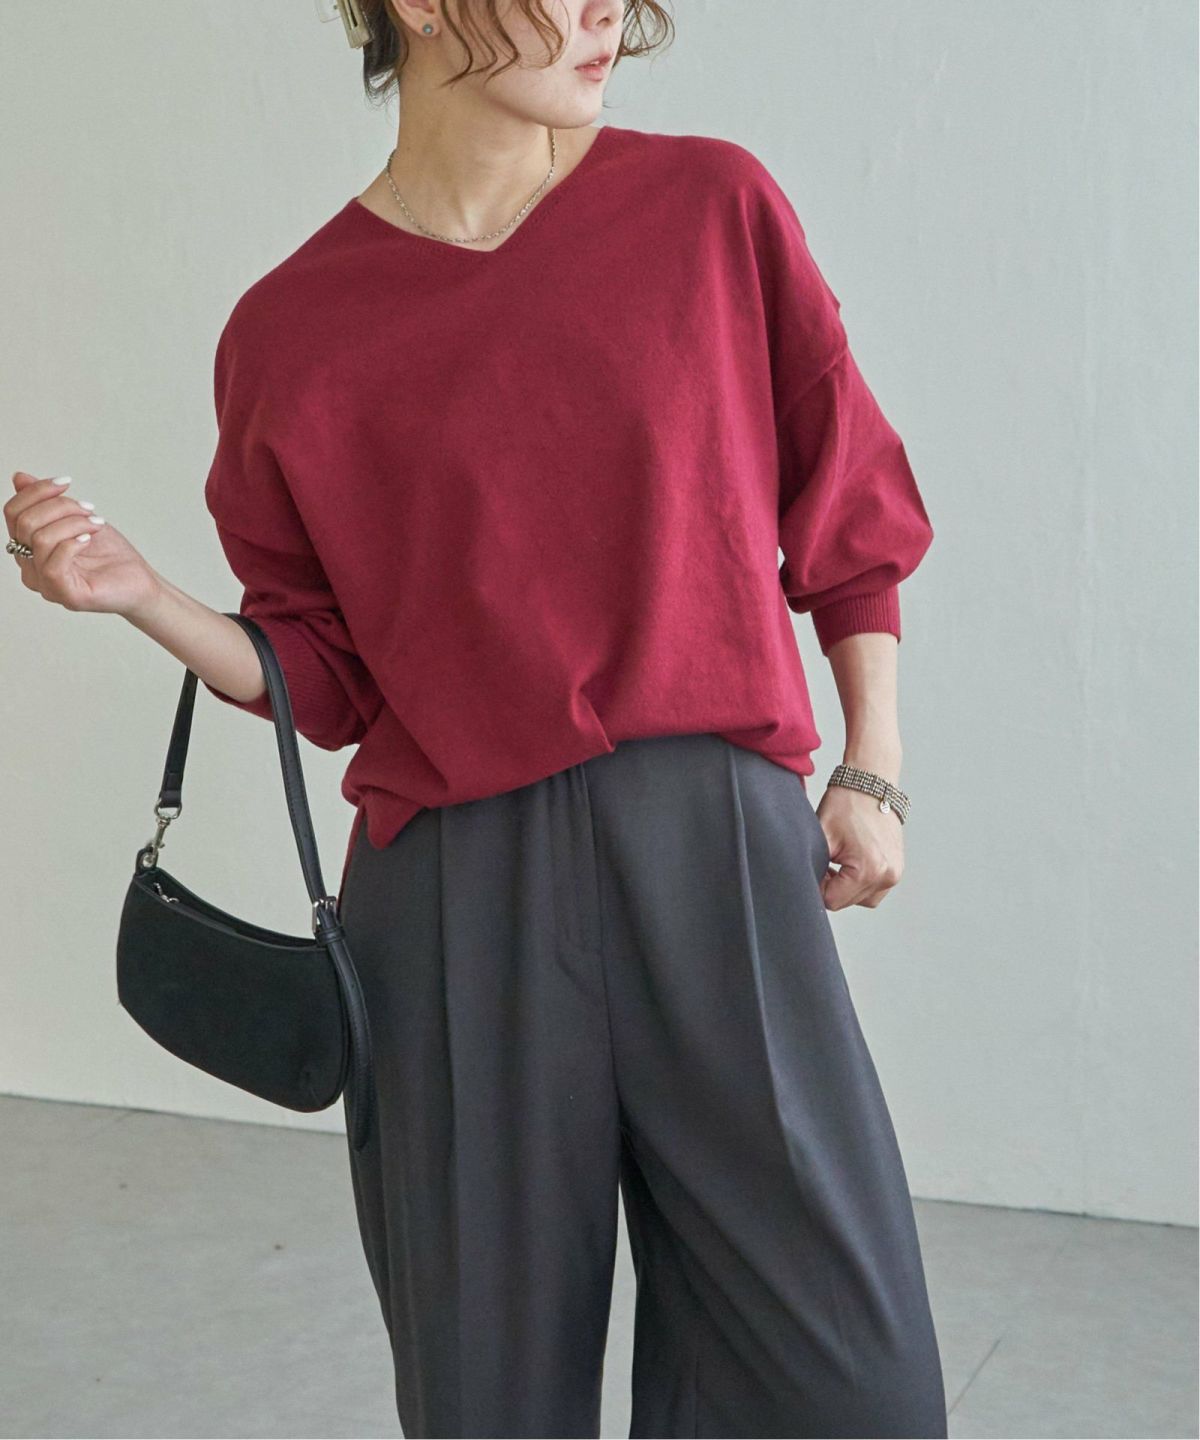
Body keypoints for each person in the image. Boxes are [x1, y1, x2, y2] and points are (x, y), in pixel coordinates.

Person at [5, 1, 948, 1435]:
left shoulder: (710, 208)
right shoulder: (293, 329)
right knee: (486, 1394)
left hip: (713, 851)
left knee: (848, 1387)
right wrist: (142, 597)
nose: (605, 13)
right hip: (455, 894)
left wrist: (873, 767)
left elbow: (847, 498)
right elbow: (323, 673)